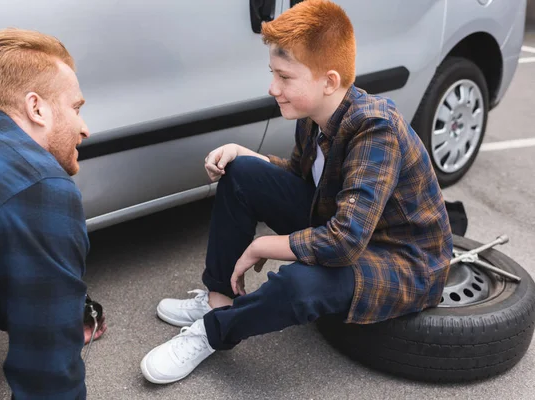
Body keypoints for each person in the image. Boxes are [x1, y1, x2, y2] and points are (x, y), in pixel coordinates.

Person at [140, 0, 453, 384]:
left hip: (402, 259)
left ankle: (213, 331)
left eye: (285, 77)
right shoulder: (314, 115)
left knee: (298, 282)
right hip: (350, 229)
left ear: (329, 81)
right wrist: (246, 156)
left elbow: (344, 243)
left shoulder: (376, 129)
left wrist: (261, 247)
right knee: (240, 172)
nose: (273, 88)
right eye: (273, 73)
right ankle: (217, 300)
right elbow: (304, 179)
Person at [0, 28, 106, 399]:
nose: (84, 128)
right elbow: (47, 375)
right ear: (37, 108)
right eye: (76, 108)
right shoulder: (39, 185)